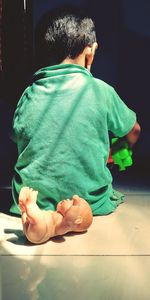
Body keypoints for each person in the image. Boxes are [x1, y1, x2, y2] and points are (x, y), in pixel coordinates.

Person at [10, 6, 140, 217]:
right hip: (88, 203)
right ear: (90, 51)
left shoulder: (28, 93)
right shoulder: (101, 90)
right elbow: (134, 131)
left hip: (33, 202)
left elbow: (17, 138)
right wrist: (115, 152)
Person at [19, 186, 93, 244]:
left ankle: (30, 204)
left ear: (77, 219)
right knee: (36, 216)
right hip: (30, 227)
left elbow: (68, 221)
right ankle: (24, 209)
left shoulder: (62, 226)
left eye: (71, 202)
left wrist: (75, 205)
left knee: (39, 220)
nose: (67, 199)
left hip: (41, 233)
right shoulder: (56, 214)